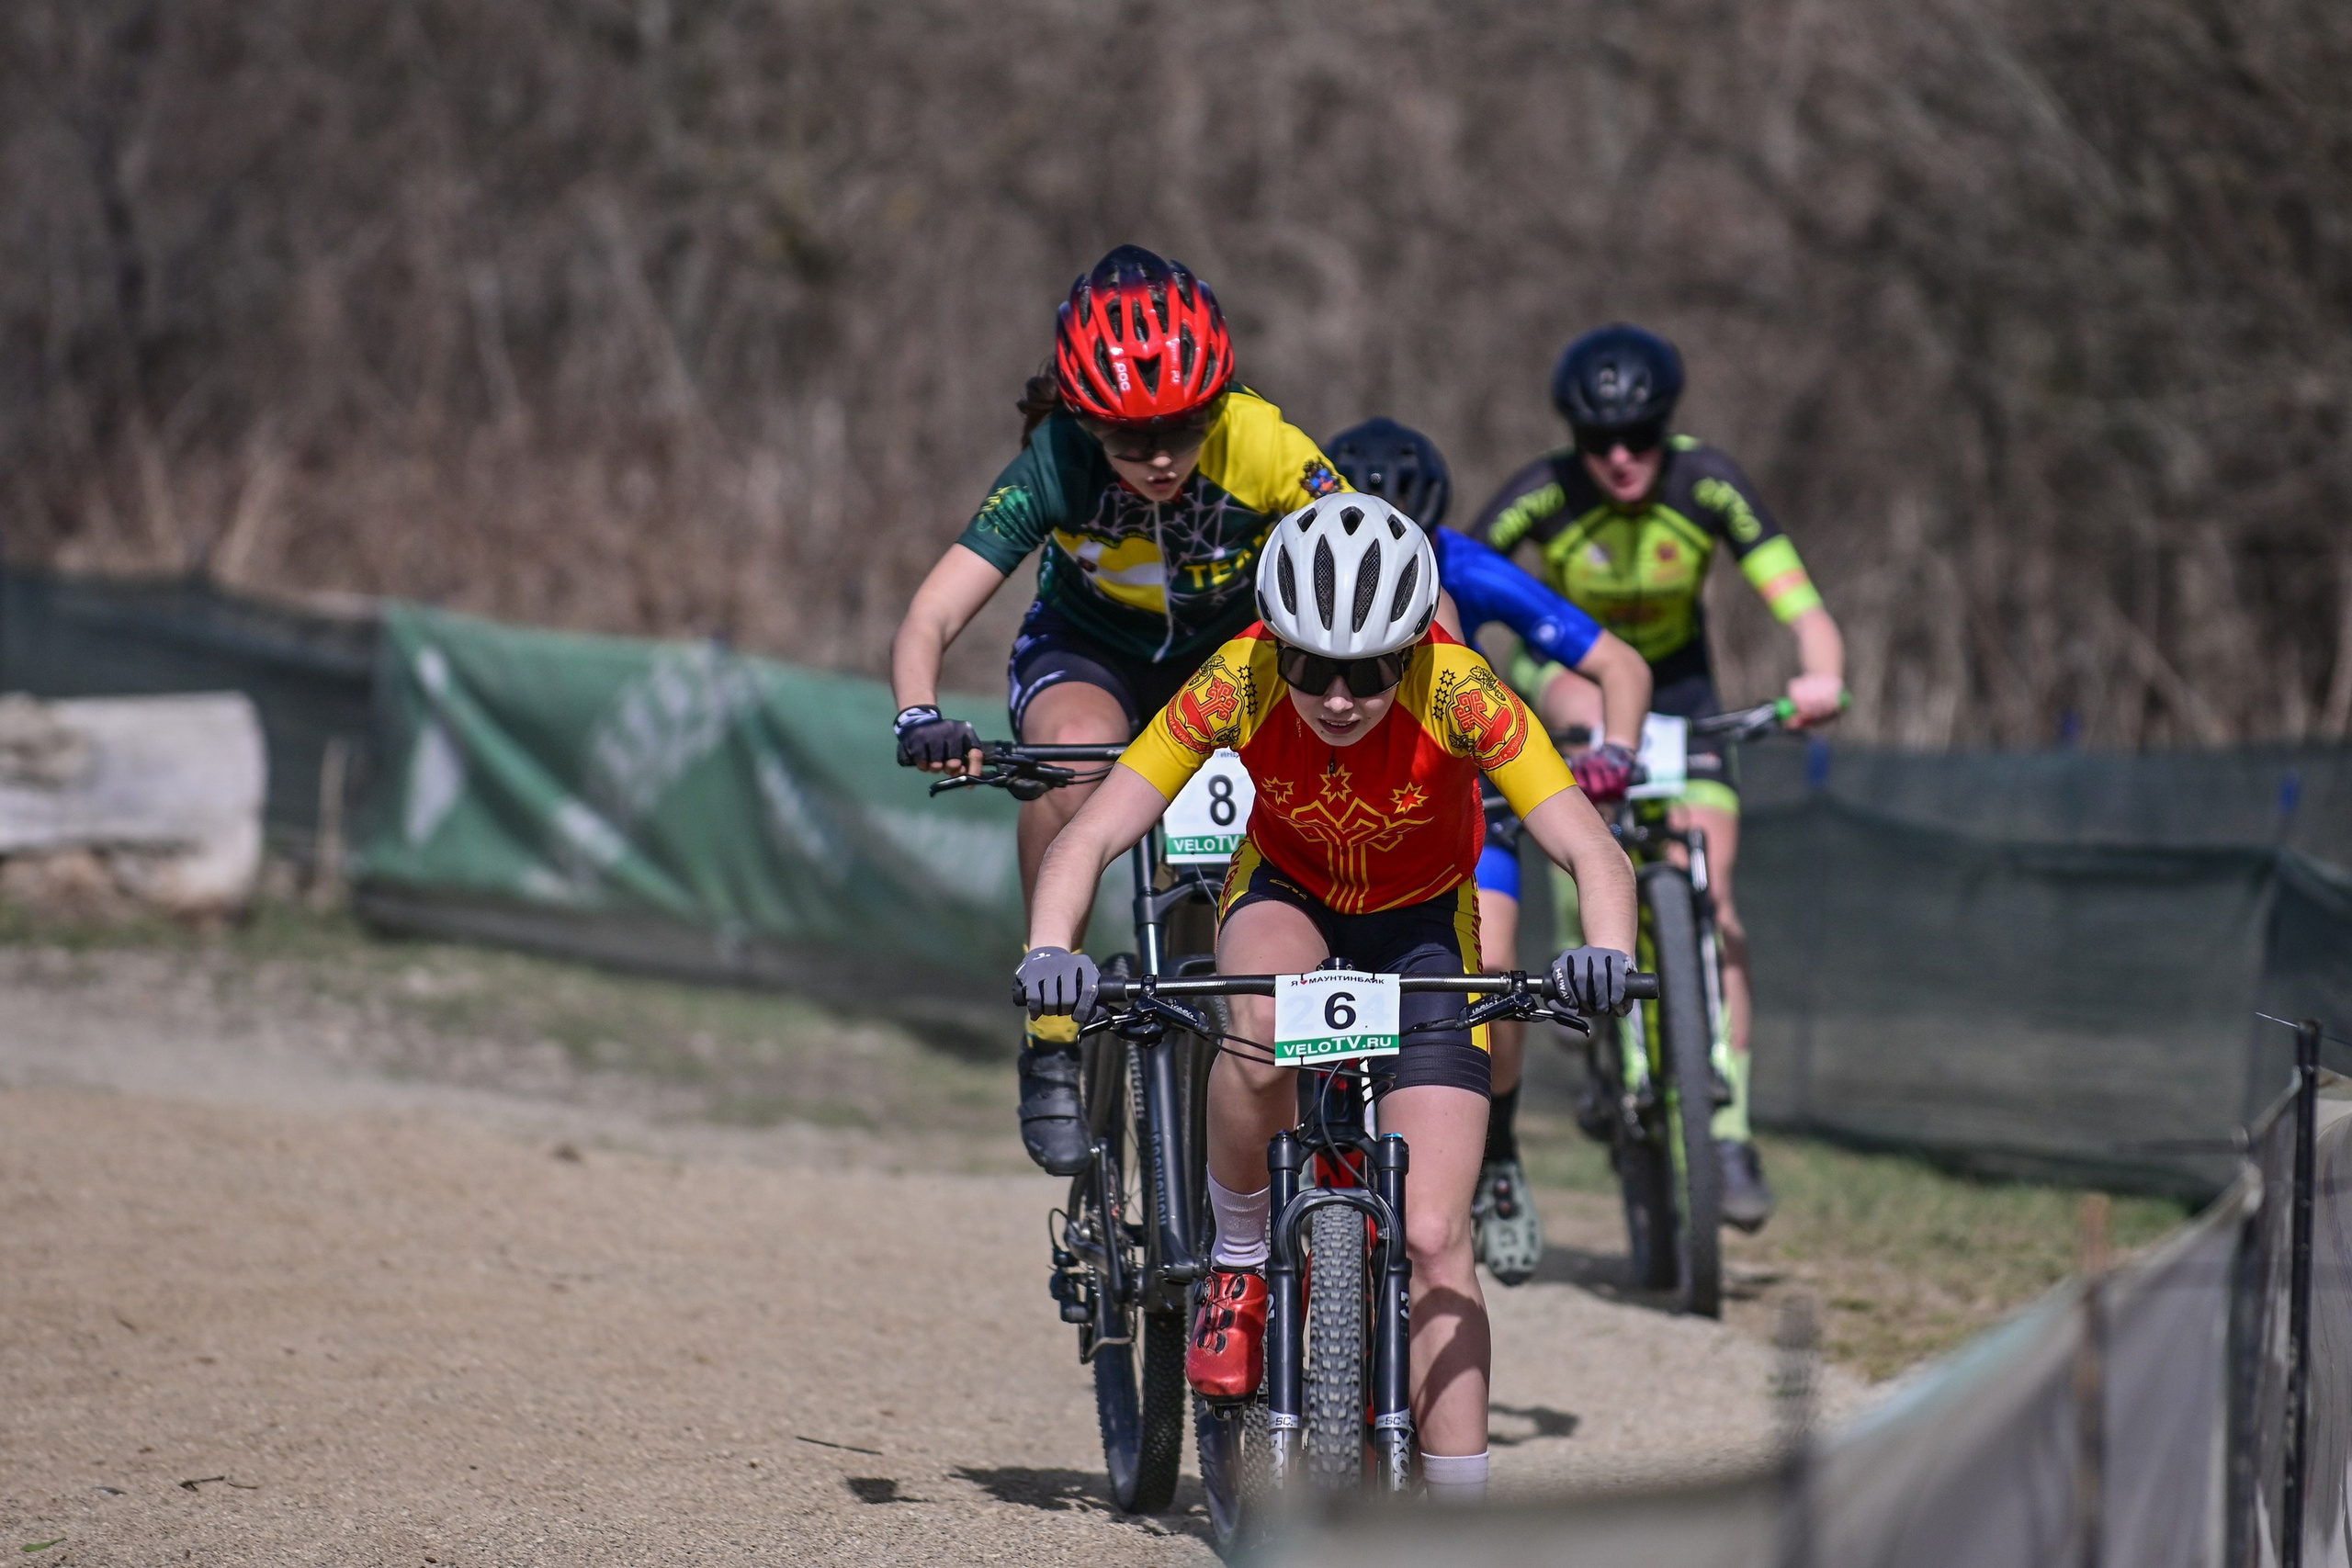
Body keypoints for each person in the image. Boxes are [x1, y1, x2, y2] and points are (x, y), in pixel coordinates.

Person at [1015, 494, 1637, 1500]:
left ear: (1412, 649)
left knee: (1436, 1239)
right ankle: (1240, 1259)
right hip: (1287, 893)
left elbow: (1588, 847)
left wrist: (1603, 951)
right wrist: (1052, 947)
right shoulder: (1237, 678)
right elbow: (1092, 834)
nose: (1339, 697)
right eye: (1311, 665)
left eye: (1370, 670)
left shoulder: (1460, 688)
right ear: (1275, 641)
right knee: (1256, 1023)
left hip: (1426, 924)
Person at [889, 245, 1348, 1177]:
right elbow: (933, 612)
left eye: (1183, 425)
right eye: (1128, 440)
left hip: (1226, 659)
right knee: (1071, 754)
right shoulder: (1055, 462)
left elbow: (1371, 565)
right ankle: (1053, 1022)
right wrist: (917, 713)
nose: (1161, 457)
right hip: (1088, 651)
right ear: (1082, 420)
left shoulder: (1262, 443)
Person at [1468, 324, 1847, 1231]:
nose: (1622, 459)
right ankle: (1592, 968)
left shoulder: (1704, 482)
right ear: (1574, 440)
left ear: (1666, 429)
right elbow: (1458, 575)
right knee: (1586, 718)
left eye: (1640, 437)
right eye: (1600, 442)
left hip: (1681, 691)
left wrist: (1821, 673)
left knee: (1714, 901)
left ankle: (1730, 1128)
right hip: (1567, 678)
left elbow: (1798, 600)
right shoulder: (1541, 494)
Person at [1325, 418, 1651, 1285]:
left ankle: (1498, 1154)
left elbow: (1618, 662)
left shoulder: (1465, 568)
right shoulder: (1296, 573)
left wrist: (1613, 751)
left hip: (1464, 798)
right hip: (1332, 815)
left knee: (1492, 967)